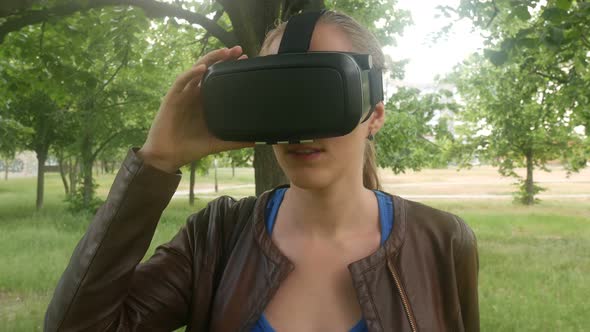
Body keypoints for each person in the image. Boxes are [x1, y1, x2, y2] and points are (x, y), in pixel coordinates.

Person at [44, 10, 479, 332]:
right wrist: (156, 162)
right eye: (278, 96)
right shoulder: (216, 238)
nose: (299, 126)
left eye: (320, 92)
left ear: (375, 113)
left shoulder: (440, 241)